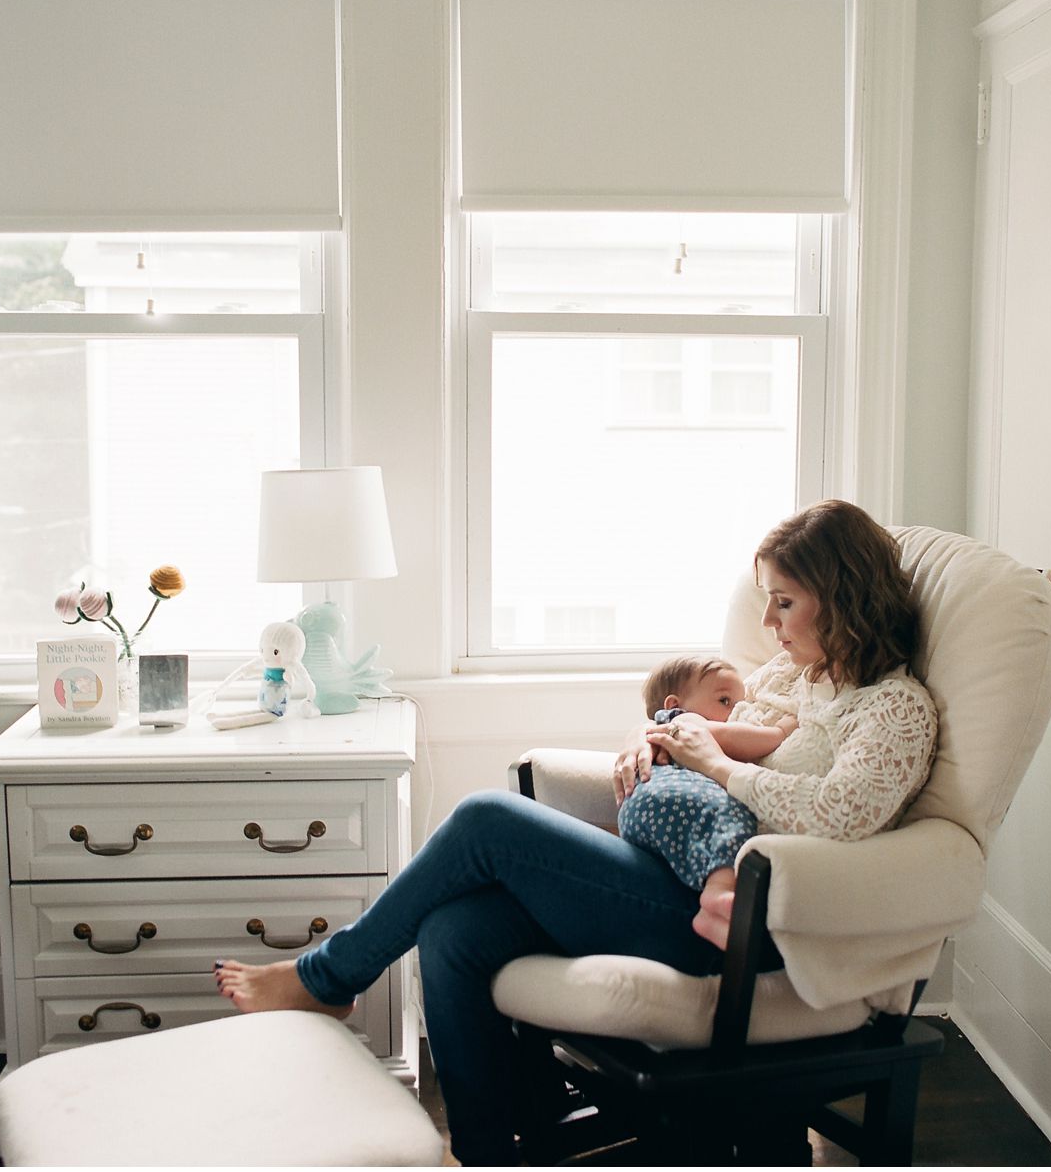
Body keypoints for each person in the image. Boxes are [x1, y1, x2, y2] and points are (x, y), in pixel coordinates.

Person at [214, 500, 939, 1166]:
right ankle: (488, 1155)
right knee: (454, 928)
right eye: (769, 600)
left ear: (842, 595)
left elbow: (842, 815)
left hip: (742, 919)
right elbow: (690, 722)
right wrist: (645, 738)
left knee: (485, 819)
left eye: (785, 602)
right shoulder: (793, 676)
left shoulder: (896, 708)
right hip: (675, 867)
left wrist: (718, 766)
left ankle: (328, 977)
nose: (770, 623)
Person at [618, 657, 797, 929]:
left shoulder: (658, 732)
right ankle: (718, 895)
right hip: (673, 795)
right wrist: (778, 732)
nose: (735, 712)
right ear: (674, 704)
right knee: (733, 816)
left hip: (638, 810)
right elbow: (733, 737)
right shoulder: (684, 721)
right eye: (725, 701)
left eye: (739, 704)